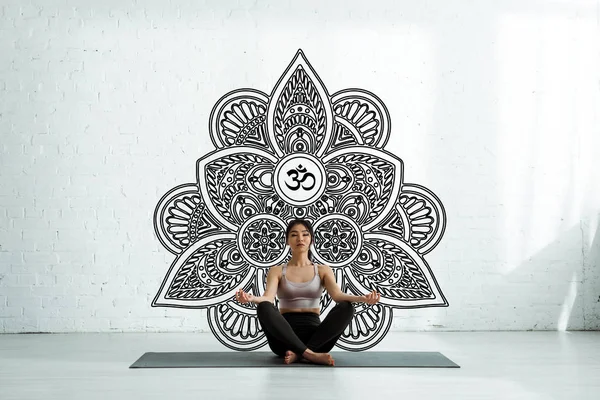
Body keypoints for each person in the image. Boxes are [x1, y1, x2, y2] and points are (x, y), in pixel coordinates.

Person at [235, 218, 381, 366]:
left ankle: (301, 354)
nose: (300, 238)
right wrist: (251, 298)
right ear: (287, 240)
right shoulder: (277, 270)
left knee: (347, 307)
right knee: (264, 306)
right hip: (283, 340)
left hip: (317, 339)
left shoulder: (322, 270)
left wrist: (362, 298)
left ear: (311, 239)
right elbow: (268, 297)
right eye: (294, 235)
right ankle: (310, 355)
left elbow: (338, 296)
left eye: (305, 234)